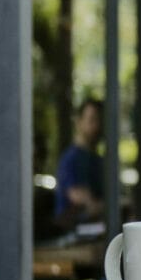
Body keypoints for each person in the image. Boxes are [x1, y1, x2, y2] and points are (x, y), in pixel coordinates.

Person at [54, 98, 104, 228]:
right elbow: (78, 197)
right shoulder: (70, 158)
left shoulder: (97, 160)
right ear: (79, 122)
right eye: (91, 120)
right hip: (73, 231)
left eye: (99, 120)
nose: (96, 126)